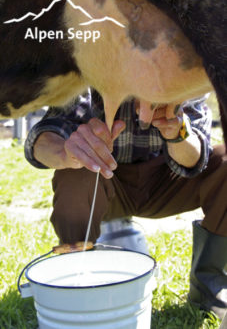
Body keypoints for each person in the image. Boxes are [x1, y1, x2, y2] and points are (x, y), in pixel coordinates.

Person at [24, 89, 227, 320]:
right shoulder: (89, 75)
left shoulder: (183, 78)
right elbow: (43, 136)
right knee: (75, 171)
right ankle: (76, 284)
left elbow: (196, 158)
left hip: (167, 182)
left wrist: (177, 133)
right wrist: (65, 152)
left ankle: (209, 287)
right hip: (106, 181)